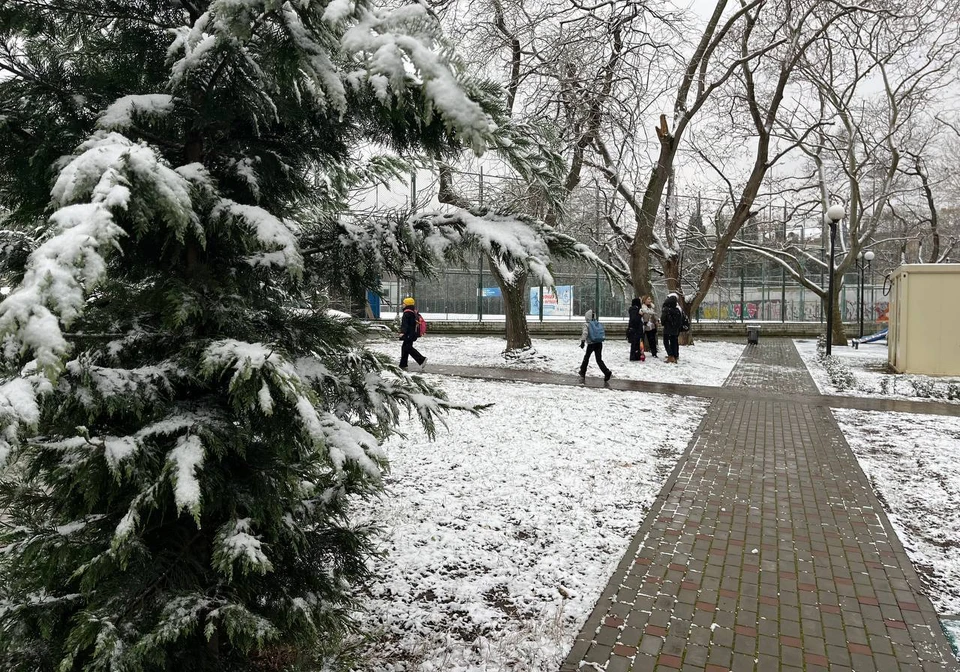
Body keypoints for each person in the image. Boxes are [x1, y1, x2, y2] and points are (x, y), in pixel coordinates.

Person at [579, 309, 612, 382]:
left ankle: (583, 372)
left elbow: (585, 333)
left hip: (591, 344)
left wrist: (582, 341)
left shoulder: (586, 324)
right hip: (599, 343)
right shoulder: (597, 323)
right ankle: (606, 372)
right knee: (599, 359)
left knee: (586, 358)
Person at [398, 297, 426, 369]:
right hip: (412, 333)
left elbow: (405, 324)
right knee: (405, 348)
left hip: (408, 334)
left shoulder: (407, 313)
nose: (402, 304)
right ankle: (403, 364)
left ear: (407, 304)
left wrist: (402, 332)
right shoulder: (413, 312)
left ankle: (421, 359)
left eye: (404, 303)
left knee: (408, 348)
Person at [660, 293, 684, 363]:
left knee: (666, 342)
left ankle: (670, 356)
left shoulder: (666, 310)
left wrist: (664, 323)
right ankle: (675, 355)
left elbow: (663, 319)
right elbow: (679, 320)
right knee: (674, 342)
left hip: (667, 328)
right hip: (675, 329)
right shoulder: (677, 310)